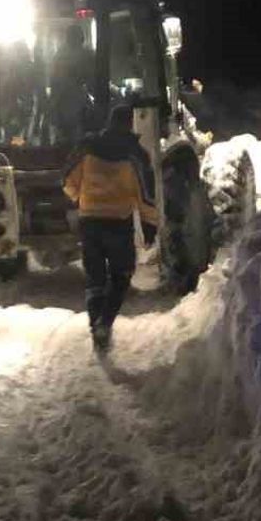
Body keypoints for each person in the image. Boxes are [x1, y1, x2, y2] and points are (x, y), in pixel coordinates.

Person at [62, 104, 159, 353]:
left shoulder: (87, 146)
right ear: (130, 124)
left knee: (95, 278)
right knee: (121, 275)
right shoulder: (135, 153)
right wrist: (149, 225)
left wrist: (79, 198)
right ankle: (105, 322)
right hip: (118, 222)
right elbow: (146, 193)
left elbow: (67, 179)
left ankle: (97, 329)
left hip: (90, 221)